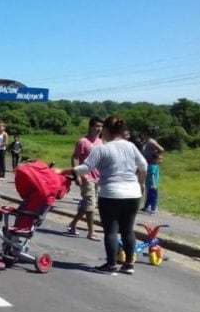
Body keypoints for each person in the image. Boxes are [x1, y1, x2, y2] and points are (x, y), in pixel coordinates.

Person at [60, 115, 147, 275]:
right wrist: (141, 184)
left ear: (106, 130)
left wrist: (63, 171)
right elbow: (143, 165)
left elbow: (85, 168)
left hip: (112, 193)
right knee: (128, 230)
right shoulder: (131, 146)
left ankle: (111, 264)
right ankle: (128, 264)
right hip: (133, 193)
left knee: (111, 231)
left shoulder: (102, 148)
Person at [66, 117, 104, 242]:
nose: (99, 129)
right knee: (90, 204)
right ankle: (91, 232)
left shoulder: (100, 142)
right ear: (91, 127)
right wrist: (77, 175)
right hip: (86, 177)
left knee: (88, 205)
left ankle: (72, 224)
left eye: (101, 126)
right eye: (97, 126)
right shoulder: (83, 141)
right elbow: (75, 158)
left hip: (98, 177)